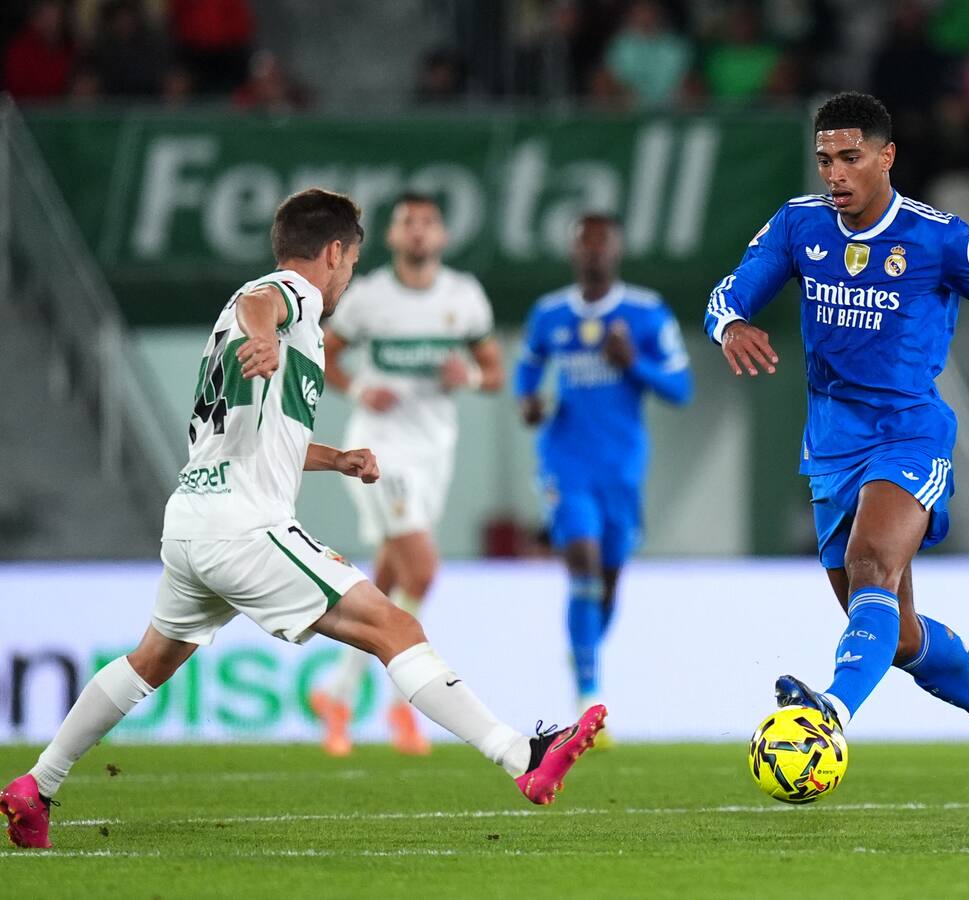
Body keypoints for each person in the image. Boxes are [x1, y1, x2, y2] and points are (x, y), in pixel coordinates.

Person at [0, 188, 605, 850]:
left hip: (194, 516)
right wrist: (263, 333)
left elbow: (254, 431)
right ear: (336, 252)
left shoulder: (256, 320)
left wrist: (336, 457)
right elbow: (266, 304)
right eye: (350, 262)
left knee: (149, 660)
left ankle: (37, 785)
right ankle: (521, 756)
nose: (347, 277)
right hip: (243, 525)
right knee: (393, 625)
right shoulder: (288, 296)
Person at [704, 92, 969, 797]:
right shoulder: (800, 225)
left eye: (850, 158)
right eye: (825, 158)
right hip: (831, 444)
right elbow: (726, 296)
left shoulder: (939, 238)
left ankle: (828, 712)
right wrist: (731, 325)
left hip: (909, 434)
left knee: (871, 564)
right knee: (896, 636)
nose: (834, 172)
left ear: (886, 157)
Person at [308, 192, 505, 757]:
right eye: (406, 224)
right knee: (424, 566)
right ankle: (403, 698)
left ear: (441, 236)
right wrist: (360, 388)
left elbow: (494, 375)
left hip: (435, 451)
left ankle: (339, 694)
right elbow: (325, 352)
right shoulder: (369, 299)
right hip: (380, 447)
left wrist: (465, 374)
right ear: (392, 238)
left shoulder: (463, 297)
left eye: (427, 223)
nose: (417, 232)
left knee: (394, 577)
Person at [516, 214, 692, 745]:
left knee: (608, 582)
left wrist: (633, 363)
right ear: (573, 251)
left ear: (615, 250)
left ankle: (583, 654)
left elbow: (680, 388)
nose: (592, 253)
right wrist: (529, 401)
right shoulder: (548, 314)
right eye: (584, 243)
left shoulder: (645, 311)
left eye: (601, 244)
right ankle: (588, 698)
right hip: (566, 461)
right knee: (584, 566)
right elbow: (528, 371)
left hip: (621, 467)